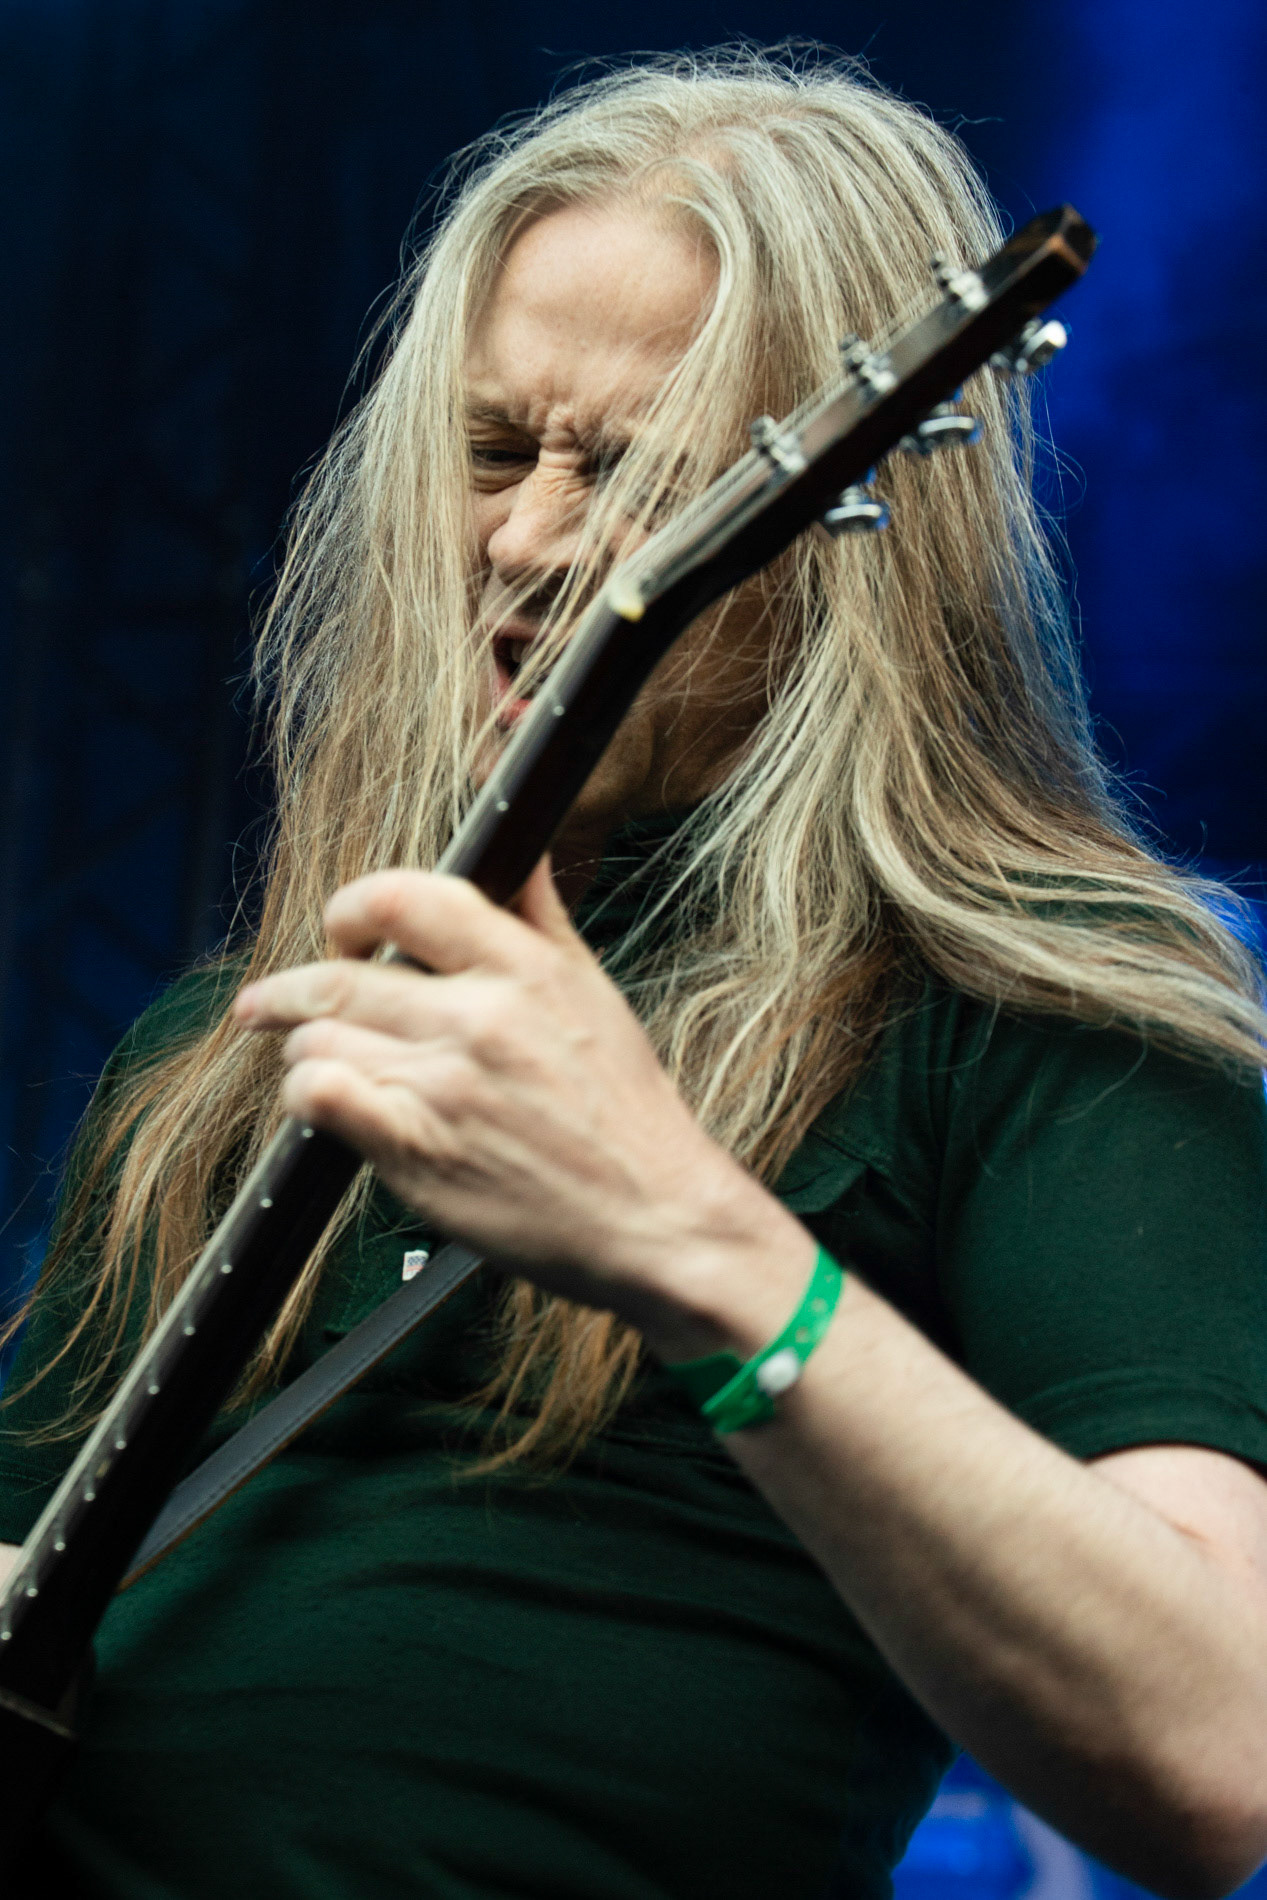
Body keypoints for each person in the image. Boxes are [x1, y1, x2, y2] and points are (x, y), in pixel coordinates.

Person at [2, 49, 1266, 1900]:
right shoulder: (248, 1035)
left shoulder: (1036, 1028)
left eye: (640, 474)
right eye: (500, 448)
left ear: (859, 517)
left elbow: (1212, 1748)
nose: (526, 539)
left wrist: (683, 1229)